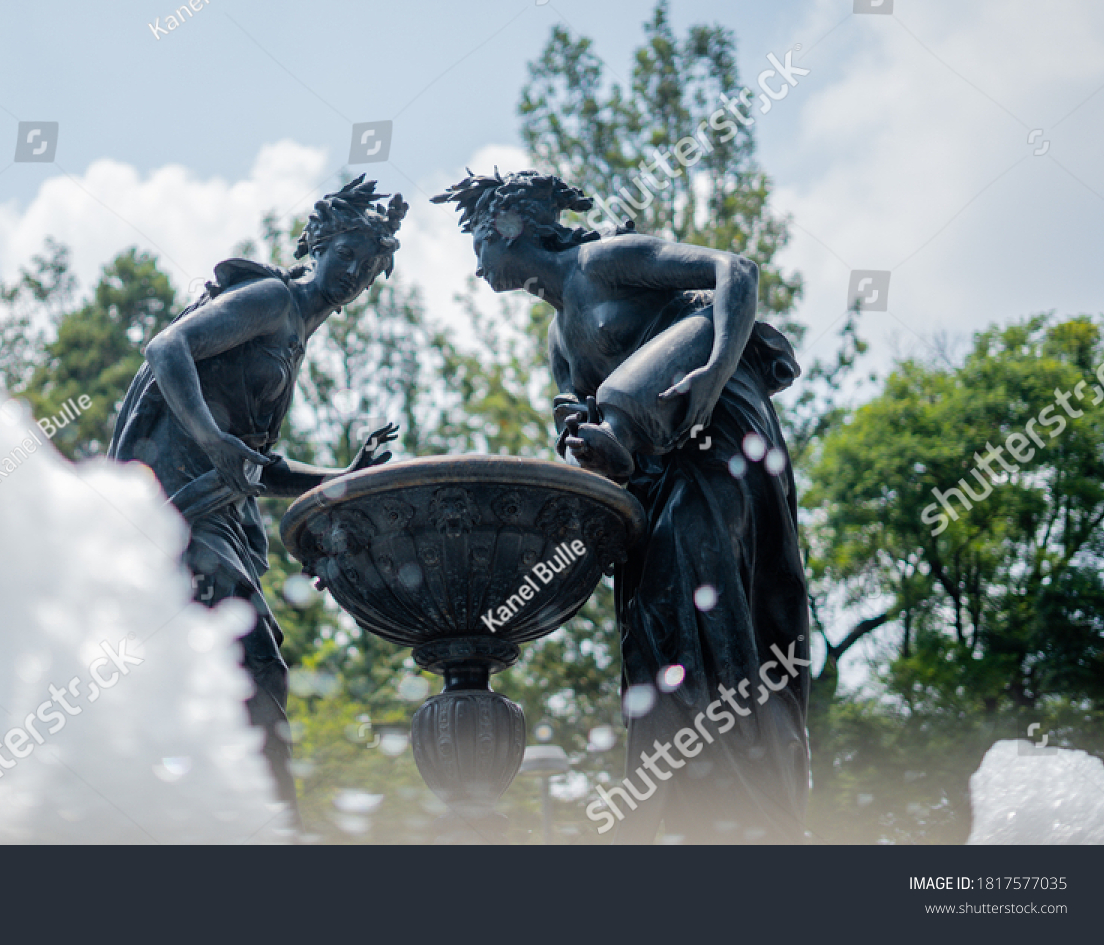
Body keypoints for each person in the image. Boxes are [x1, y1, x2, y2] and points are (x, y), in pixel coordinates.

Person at [434, 170, 810, 843]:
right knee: (657, 618)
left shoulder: (603, 263)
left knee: (706, 582)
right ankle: (690, 794)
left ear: (512, 227)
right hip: (653, 476)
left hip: (714, 437)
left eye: (480, 242)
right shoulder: (558, 342)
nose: (477, 262)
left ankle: (744, 790)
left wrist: (716, 366)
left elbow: (737, 270)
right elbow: (579, 434)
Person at [109, 176, 403, 811]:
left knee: (242, 668)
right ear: (316, 244)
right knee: (250, 658)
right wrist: (213, 439)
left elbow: (255, 469)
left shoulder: (298, 334)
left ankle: (241, 812)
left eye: (368, 264)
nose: (353, 272)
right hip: (177, 507)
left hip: (217, 511)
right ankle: (265, 822)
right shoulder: (273, 299)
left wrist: (340, 480)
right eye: (344, 253)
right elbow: (167, 347)